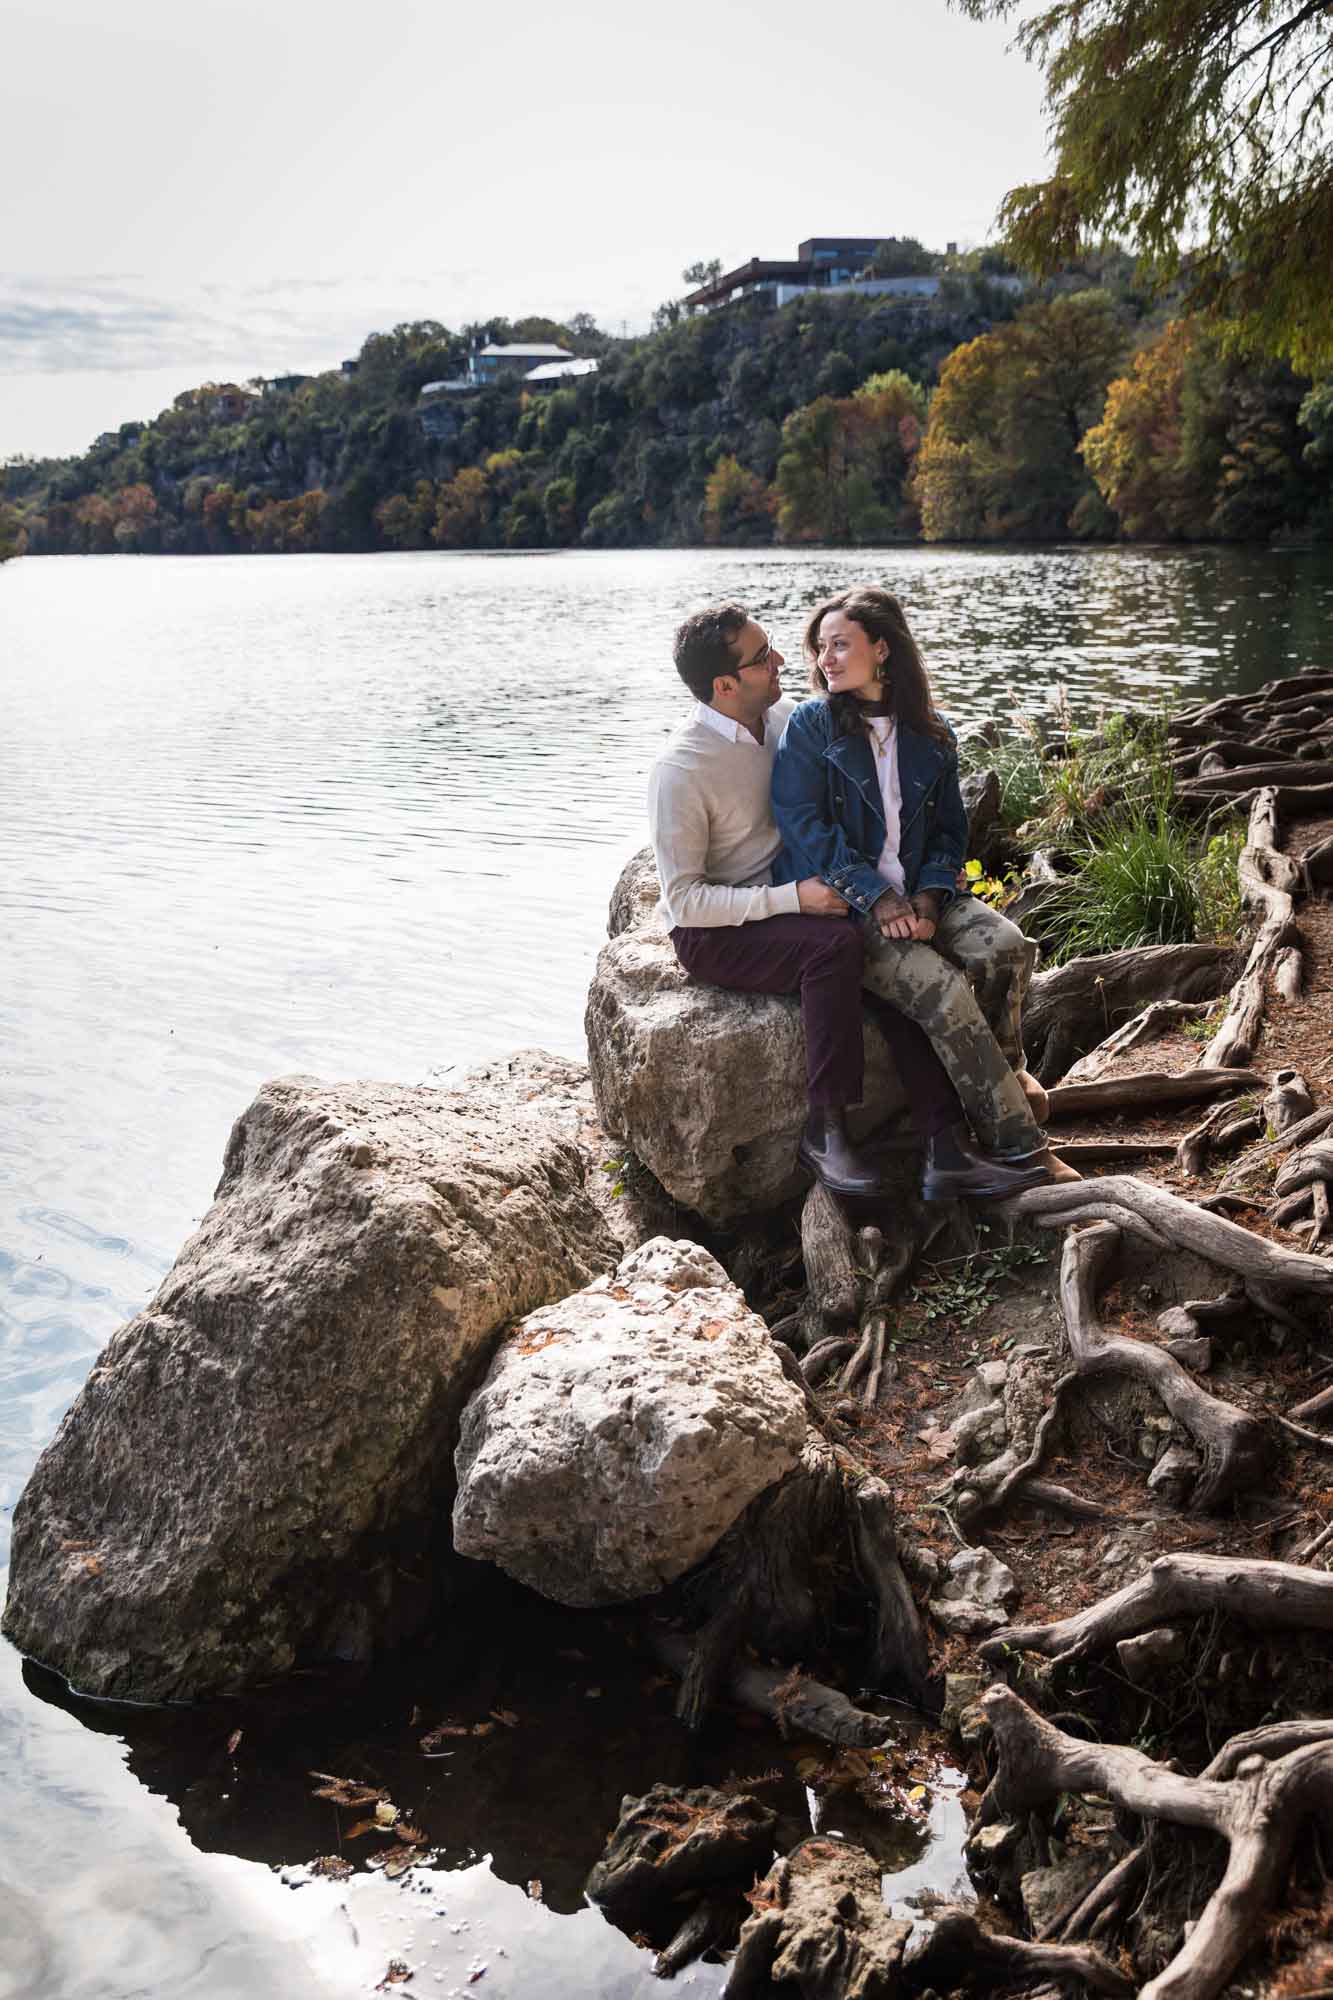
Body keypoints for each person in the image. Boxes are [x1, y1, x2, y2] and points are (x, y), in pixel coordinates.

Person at [648, 603, 1051, 1201]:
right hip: (720, 928)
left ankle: (946, 1145)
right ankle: (827, 1131)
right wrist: (800, 897)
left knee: (893, 975)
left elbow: (895, 802)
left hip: (808, 895)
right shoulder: (680, 769)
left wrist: (919, 893)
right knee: (839, 950)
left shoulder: (785, 718)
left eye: (774, 644)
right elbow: (683, 902)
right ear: (725, 685)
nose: (784, 660)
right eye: (762, 657)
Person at [771, 586, 1073, 1195]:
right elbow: (804, 826)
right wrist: (879, 900)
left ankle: (1008, 1072)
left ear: (882, 649)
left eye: (840, 645)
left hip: (919, 892)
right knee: (943, 990)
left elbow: (949, 832)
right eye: (821, 648)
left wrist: (931, 898)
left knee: (1008, 947)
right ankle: (1022, 1148)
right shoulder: (812, 726)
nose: (826, 659)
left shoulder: (932, 734)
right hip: (848, 907)